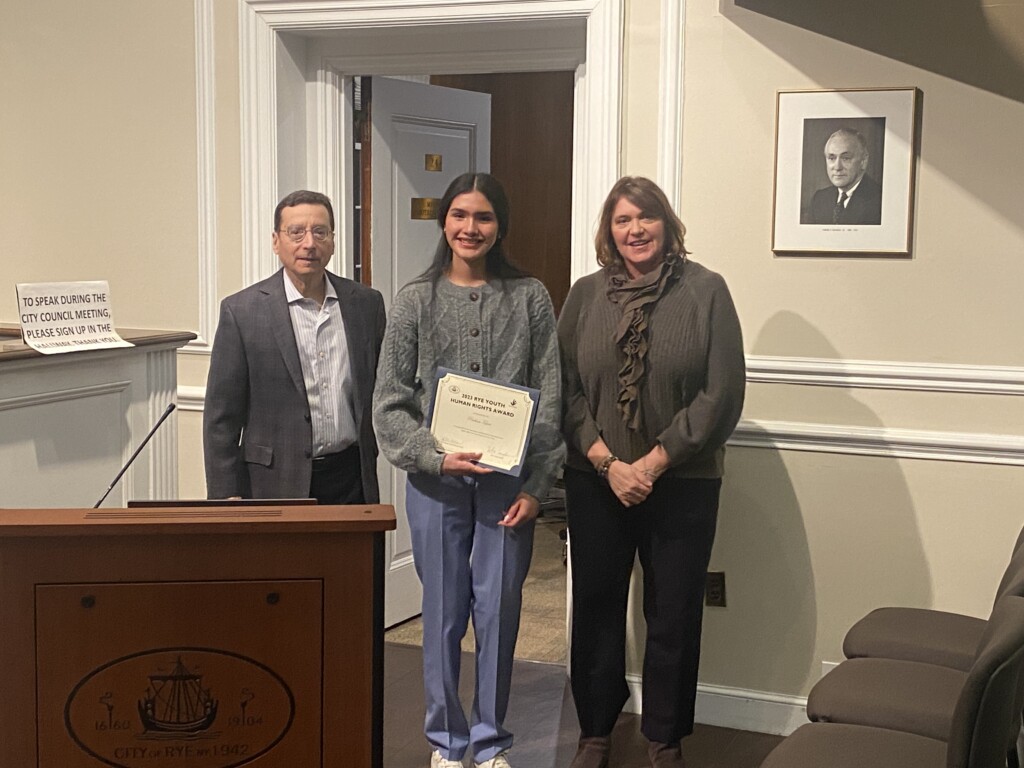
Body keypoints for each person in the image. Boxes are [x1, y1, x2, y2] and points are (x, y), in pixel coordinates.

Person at [373, 173, 564, 768]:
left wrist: (538, 488)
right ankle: (446, 742)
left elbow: (551, 399)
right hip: (437, 485)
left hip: (509, 489)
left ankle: (489, 740)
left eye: (482, 217)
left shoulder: (530, 297)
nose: (469, 228)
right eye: (459, 215)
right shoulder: (415, 299)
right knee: (444, 614)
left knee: (500, 610)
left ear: (499, 225)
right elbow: (389, 402)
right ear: (444, 223)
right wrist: (433, 455)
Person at [559, 176, 746, 768]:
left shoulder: (706, 290)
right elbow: (562, 389)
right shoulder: (585, 295)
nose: (634, 230)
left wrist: (655, 460)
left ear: (667, 224)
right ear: (608, 231)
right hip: (595, 481)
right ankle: (595, 729)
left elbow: (722, 393)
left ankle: (664, 737)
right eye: (622, 220)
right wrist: (608, 463)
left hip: (683, 482)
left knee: (673, 610)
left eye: (646, 217)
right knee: (594, 604)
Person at [204, 189, 386, 504]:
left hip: (351, 477)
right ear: (276, 241)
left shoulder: (366, 304)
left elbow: (383, 388)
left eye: (320, 232)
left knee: (356, 556)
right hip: (273, 483)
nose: (309, 244)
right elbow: (222, 416)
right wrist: (225, 494)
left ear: (333, 240)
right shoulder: (242, 311)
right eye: (296, 232)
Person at [803, 127, 883, 226]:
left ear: (863, 161)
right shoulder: (819, 199)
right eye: (832, 158)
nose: (837, 167)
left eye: (846, 158)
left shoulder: (880, 201)